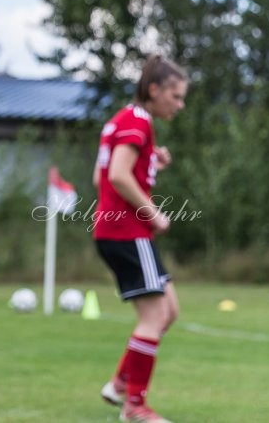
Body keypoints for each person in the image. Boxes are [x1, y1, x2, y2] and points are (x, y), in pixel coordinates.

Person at [91, 55, 189, 423]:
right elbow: (116, 175)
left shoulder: (123, 119)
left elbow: (101, 176)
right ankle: (134, 406)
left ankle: (119, 384)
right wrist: (152, 211)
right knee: (155, 316)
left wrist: (151, 161)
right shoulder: (138, 121)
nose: (179, 105)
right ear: (154, 90)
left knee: (169, 312)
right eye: (175, 97)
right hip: (127, 232)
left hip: (117, 231)